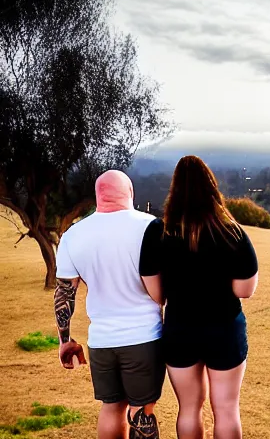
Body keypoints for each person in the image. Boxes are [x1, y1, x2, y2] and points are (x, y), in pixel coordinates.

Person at [140, 155, 258, 439]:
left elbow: (156, 293)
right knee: (227, 409)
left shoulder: (158, 231)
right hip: (225, 328)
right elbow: (245, 290)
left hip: (180, 329)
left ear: (174, 189)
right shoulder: (231, 230)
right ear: (212, 188)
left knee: (189, 408)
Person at [54, 170, 165, 439]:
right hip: (143, 337)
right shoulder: (150, 226)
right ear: (130, 193)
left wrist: (65, 340)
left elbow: (64, 293)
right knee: (141, 412)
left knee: (111, 407)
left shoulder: (73, 235)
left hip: (101, 340)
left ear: (97, 196)